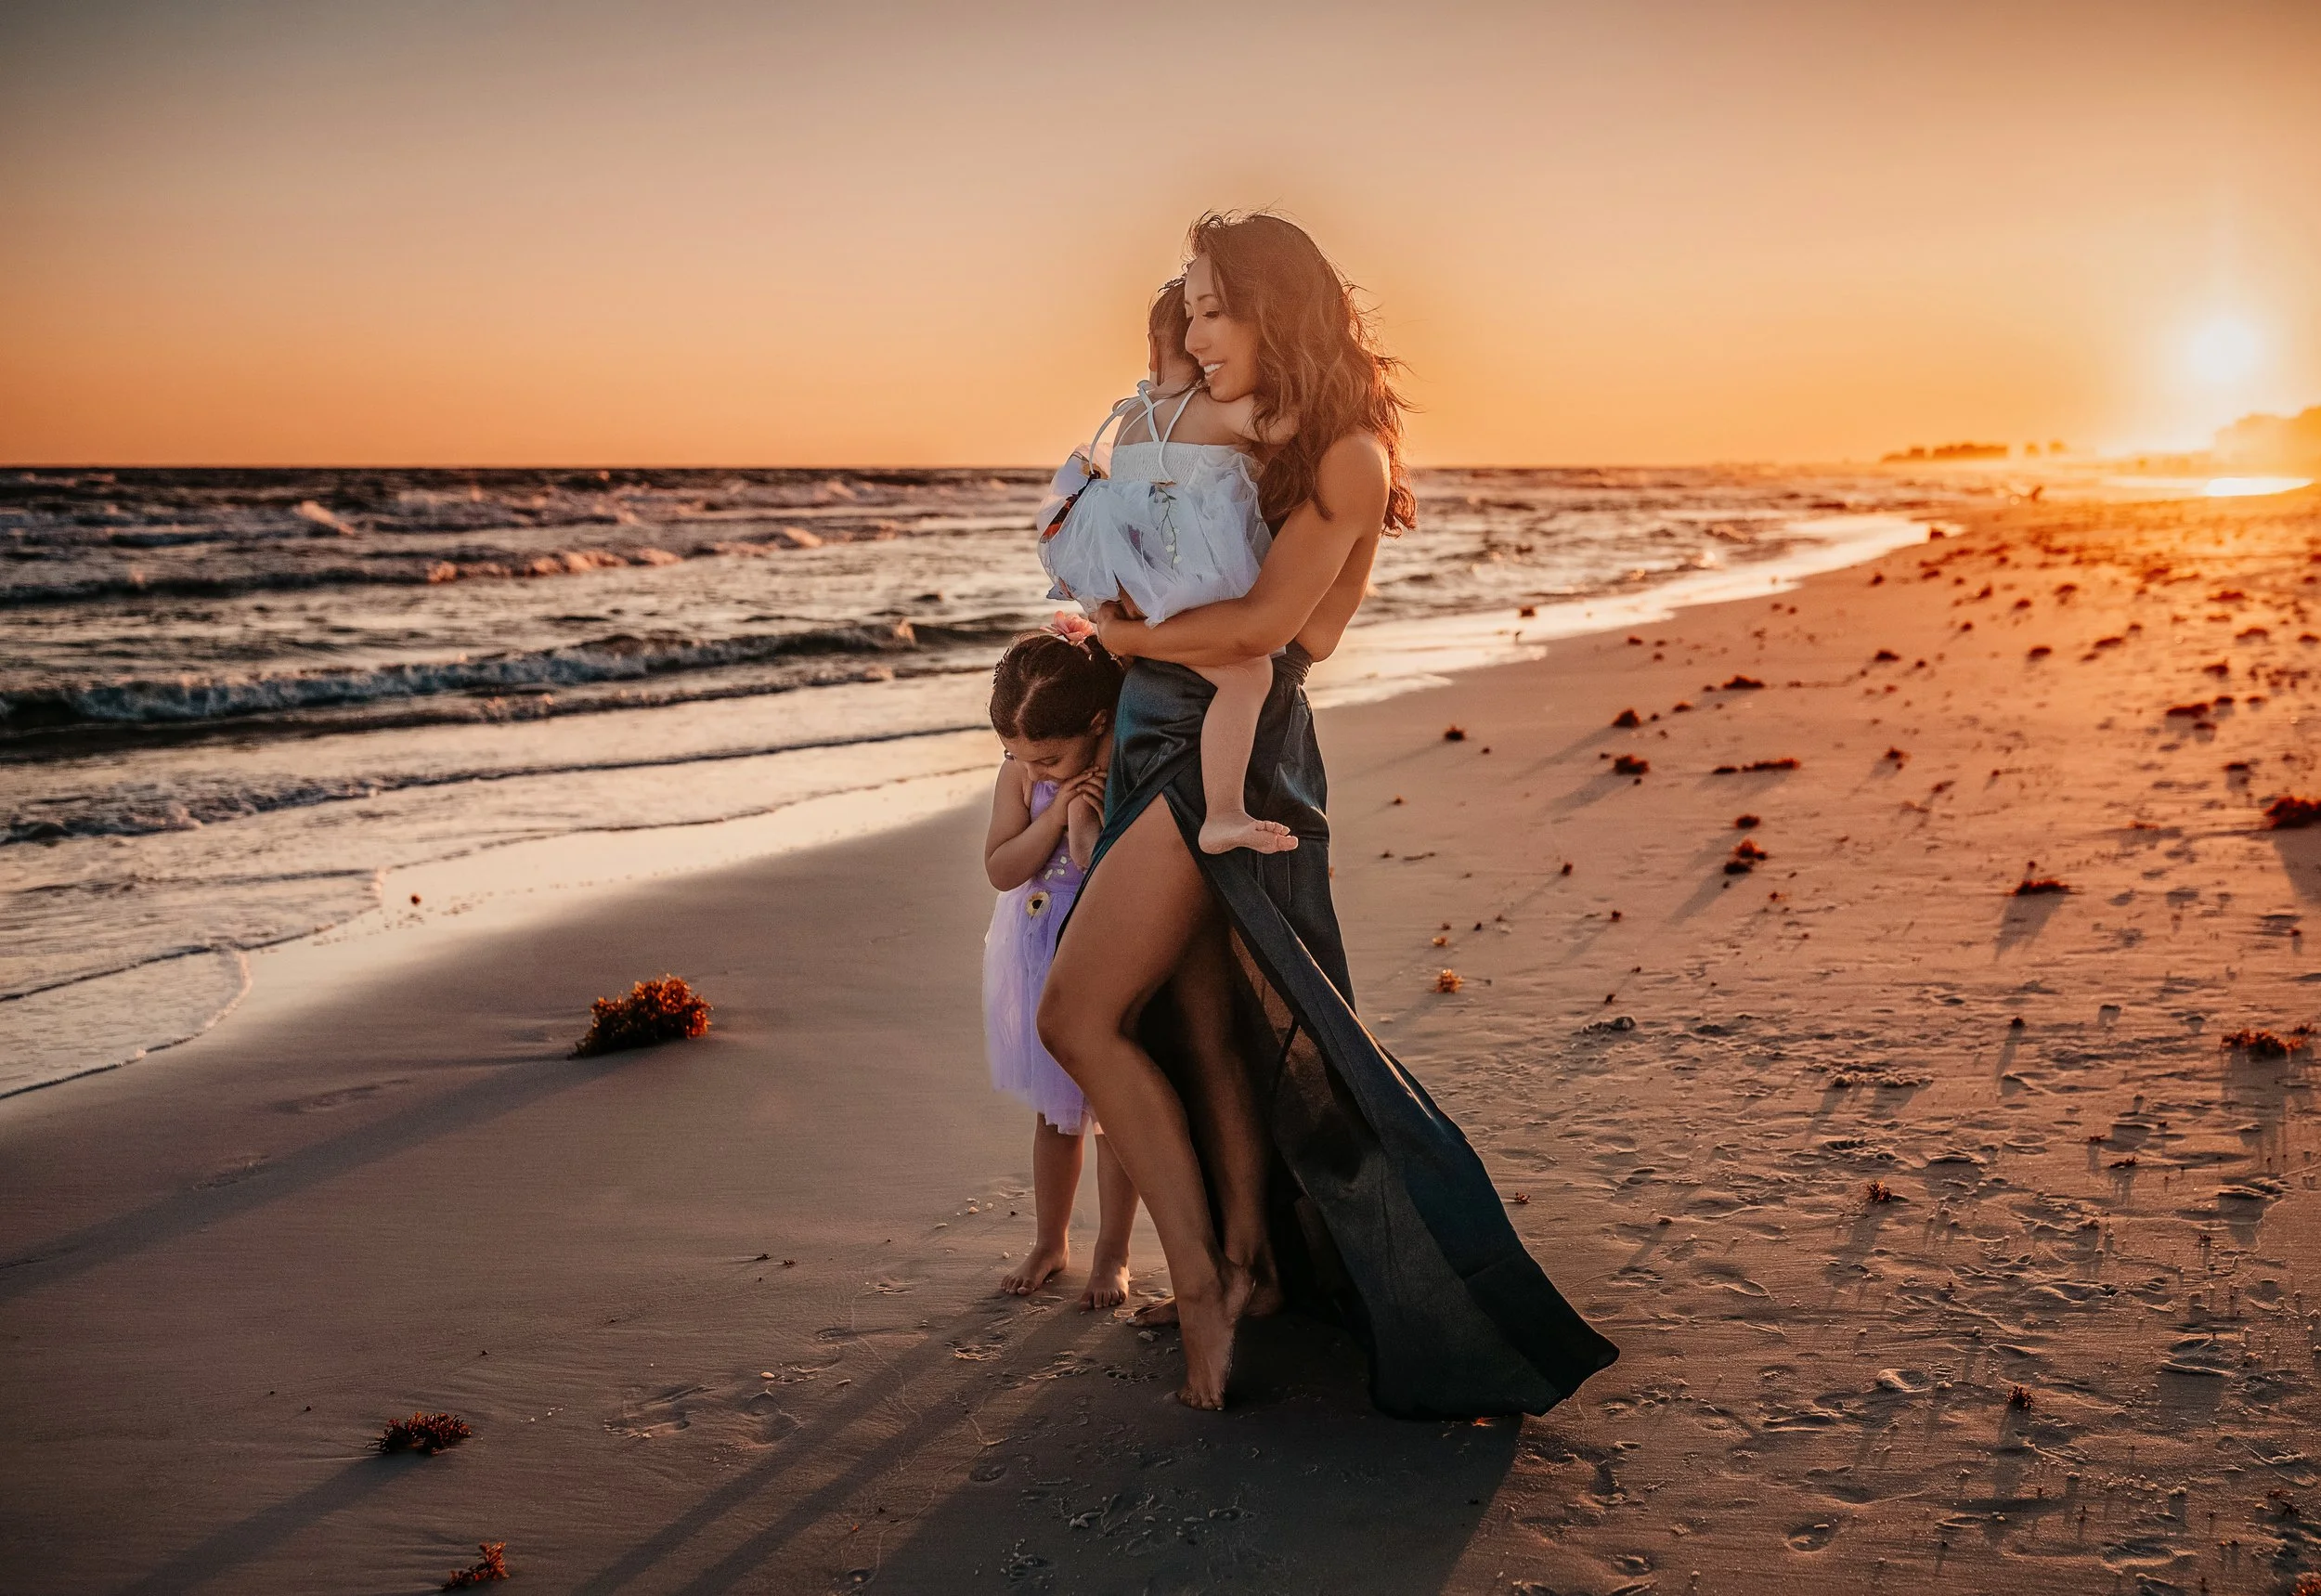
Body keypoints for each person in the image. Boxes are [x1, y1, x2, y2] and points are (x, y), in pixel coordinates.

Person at [1038, 212, 1619, 1413]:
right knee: (1206, 1028)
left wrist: (1131, 634)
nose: (1193, 331)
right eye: (1185, 308)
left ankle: (1200, 1277)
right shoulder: (1245, 436)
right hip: (1155, 728)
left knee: (1076, 1012)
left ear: (1275, 309)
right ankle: (1248, 1269)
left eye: (1213, 306)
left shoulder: (1347, 453)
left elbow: (1270, 629)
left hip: (1230, 750)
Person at [1035, 279, 1297, 855]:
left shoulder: (1130, 420)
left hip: (1140, 586)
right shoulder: (1218, 411)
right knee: (1250, 674)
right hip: (1196, 586)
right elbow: (1292, 426)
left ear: (1152, 353)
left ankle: (1097, 813)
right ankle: (1223, 812)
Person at [980, 624, 1140, 1310]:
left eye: (1047, 757)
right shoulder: (1021, 775)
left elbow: (1097, 865)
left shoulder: (1118, 764)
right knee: (1055, 1114)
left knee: (1112, 1111)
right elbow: (1000, 867)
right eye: (1020, 755)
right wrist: (1050, 814)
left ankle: (1114, 1251)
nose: (1036, 769)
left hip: (1099, 945)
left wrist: (1082, 818)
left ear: (1097, 723)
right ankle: (1052, 1239)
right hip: (1035, 949)